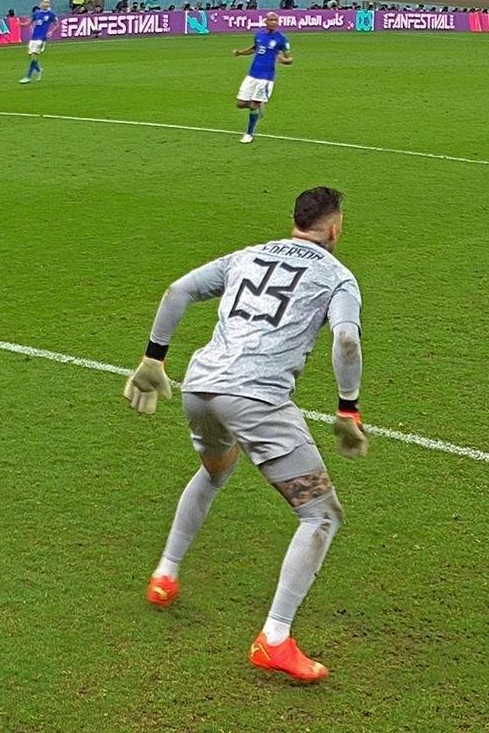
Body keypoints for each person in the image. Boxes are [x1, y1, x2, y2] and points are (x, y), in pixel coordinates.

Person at [123, 186, 367, 683]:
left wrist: (154, 358)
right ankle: (274, 639)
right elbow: (345, 337)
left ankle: (165, 573)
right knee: (321, 515)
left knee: (215, 470)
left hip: (201, 388)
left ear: (296, 220)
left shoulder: (248, 254)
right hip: (256, 398)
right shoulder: (338, 277)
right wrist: (348, 409)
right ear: (335, 228)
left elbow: (178, 290)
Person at [232, 11, 292, 143]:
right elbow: (255, 48)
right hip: (252, 74)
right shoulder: (259, 34)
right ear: (265, 21)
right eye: (271, 20)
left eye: (276, 20)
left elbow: (290, 59)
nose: (274, 23)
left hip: (266, 77)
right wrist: (240, 52)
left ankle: (249, 134)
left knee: (254, 104)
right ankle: (258, 109)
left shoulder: (281, 39)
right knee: (240, 103)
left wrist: (283, 60)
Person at [19, 0, 57, 84]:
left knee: (34, 55)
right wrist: (20, 24)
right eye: (45, 2)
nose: (46, 4)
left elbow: (57, 24)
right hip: (34, 37)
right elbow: (28, 23)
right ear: (41, 3)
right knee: (32, 56)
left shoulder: (51, 14)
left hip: (42, 38)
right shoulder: (37, 13)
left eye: (48, 2)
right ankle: (39, 69)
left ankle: (28, 77)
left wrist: (51, 31)